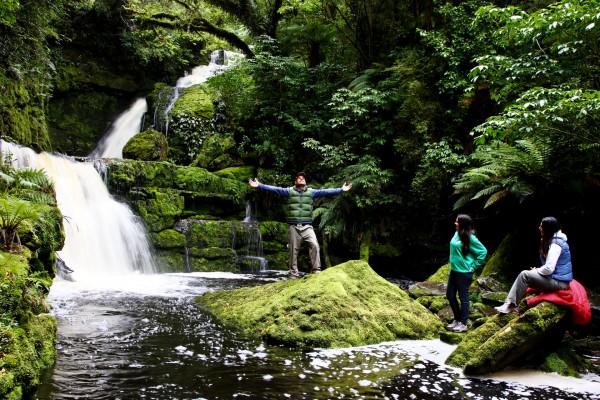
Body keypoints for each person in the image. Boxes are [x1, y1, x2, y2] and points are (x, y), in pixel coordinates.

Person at [248, 172, 352, 277]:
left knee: (314, 245)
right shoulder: (289, 191)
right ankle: (293, 273)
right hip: (294, 227)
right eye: (299, 178)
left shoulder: (311, 192)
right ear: (295, 181)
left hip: (307, 227)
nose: (301, 179)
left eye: (303, 178)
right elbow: (275, 189)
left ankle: (316, 270)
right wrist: (259, 185)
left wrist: (341, 189)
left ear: (305, 182)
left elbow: (326, 192)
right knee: (293, 250)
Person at [495, 216, 573, 314]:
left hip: (559, 284)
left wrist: (536, 271)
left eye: (541, 226)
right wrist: (537, 271)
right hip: (555, 279)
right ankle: (510, 304)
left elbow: (549, 269)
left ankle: (510, 306)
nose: (539, 228)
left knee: (524, 275)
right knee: (527, 275)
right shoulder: (552, 241)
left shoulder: (556, 245)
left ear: (547, 229)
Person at [446, 214, 488, 333]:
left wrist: (473, 266)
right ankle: (457, 319)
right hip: (454, 270)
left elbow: (483, 251)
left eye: (457, 222)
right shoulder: (457, 233)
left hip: (464, 272)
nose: (455, 223)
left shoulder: (471, 238)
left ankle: (463, 323)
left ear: (463, 224)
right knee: (450, 295)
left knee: (463, 297)